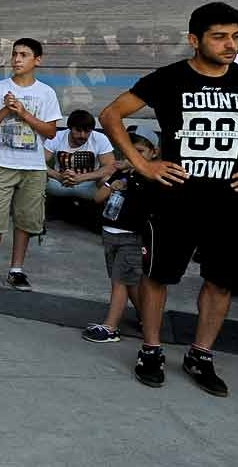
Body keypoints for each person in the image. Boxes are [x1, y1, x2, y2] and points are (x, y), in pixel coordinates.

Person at [100, 1, 238, 397]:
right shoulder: (170, 78)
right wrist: (142, 164)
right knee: (158, 275)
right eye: (219, 37)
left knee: (221, 281)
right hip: (176, 197)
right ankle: (151, 349)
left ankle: (200, 355)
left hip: (232, 199)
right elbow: (111, 114)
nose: (230, 44)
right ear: (194, 39)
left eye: (235, 36)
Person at [0, 38, 62, 296]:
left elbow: (51, 132)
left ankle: (16, 269)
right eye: (15, 54)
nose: (17, 59)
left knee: (26, 220)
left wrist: (24, 113)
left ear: (37, 60)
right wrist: (6, 111)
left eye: (24, 55)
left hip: (34, 166)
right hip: (2, 164)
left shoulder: (46, 93)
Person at [82, 126, 159, 343]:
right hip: (110, 233)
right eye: (128, 152)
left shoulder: (151, 177)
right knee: (128, 281)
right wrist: (113, 185)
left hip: (132, 237)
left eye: (139, 152)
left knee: (119, 281)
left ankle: (110, 327)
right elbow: (98, 197)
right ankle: (148, 318)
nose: (133, 157)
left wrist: (129, 180)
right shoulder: (121, 173)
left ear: (154, 152)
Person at [43, 110, 117, 203]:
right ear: (70, 128)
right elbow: (39, 163)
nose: (82, 135)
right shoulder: (57, 137)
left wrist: (81, 178)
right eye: (78, 130)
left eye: (87, 131)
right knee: (37, 175)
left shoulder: (100, 138)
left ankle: (104, 209)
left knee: (108, 180)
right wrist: (58, 176)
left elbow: (110, 167)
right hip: (59, 182)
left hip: (90, 184)